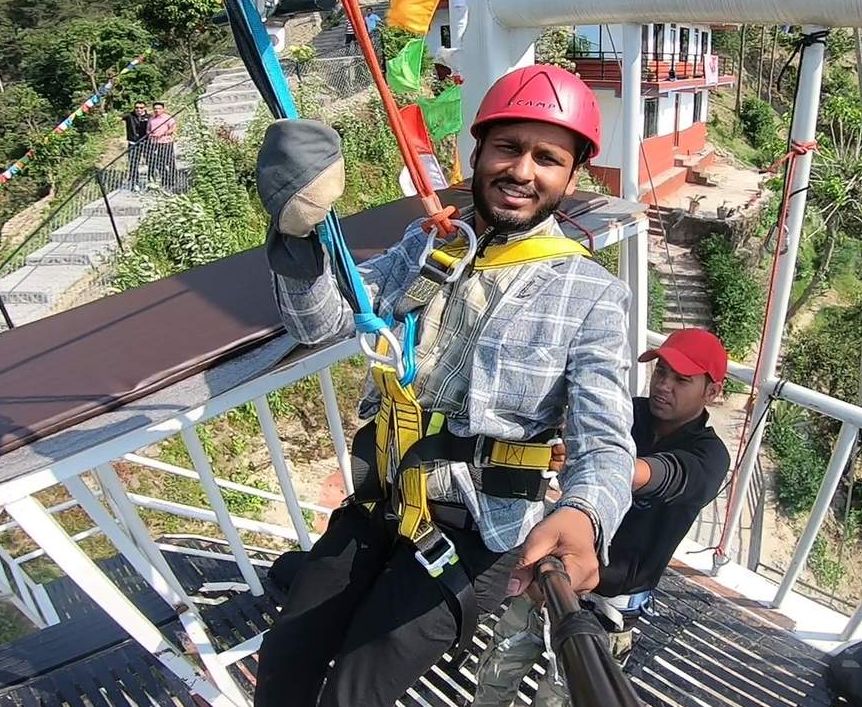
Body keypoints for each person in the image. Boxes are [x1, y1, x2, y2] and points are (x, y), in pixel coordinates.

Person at [253, 65, 637, 707]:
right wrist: (298, 234)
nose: (522, 170)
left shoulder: (591, 295)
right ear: (478, 154)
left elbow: (605, 441)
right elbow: (321, 321)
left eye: (547, 157)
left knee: (355, 693)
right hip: (386, 498)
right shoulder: (432, 246)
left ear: (571, 178)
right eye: (508, 148)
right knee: (285, 663)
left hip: (476, 530)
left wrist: (585, 513)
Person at [472, 327, 732, 707]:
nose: (663, 386)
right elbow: (569, 431)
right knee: (495, 673)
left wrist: (603, 466)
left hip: (608, 610)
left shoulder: (710, 455)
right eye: (661, 372)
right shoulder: (626, 412)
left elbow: (669, 475)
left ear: (712, 392)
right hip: (550, 577)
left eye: (681, 380)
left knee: (559, 698)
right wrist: (563, 453)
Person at [146, 101, 177, 190]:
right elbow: (148, 130)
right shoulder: (151, 119)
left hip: (166, 142)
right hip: (155, 143)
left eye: (159, 108)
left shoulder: (168, 118)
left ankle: (173, 180)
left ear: (163, 109)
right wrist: (150, 134)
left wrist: (163, 134)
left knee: (169, 161)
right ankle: (165, 180)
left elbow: (172, 128)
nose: (157, 110)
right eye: (155, 109)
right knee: (159, 163)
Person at [122, 101, 150, 190]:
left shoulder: (149, 117)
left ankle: (150, 181)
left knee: (150, 161)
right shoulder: (129, 116)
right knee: (133, 163)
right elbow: (117, 118)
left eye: (141, 108)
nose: (139, 109)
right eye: (137, 108)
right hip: (133, 143)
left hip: (146, 143)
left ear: (145, 108)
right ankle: (135, 182)